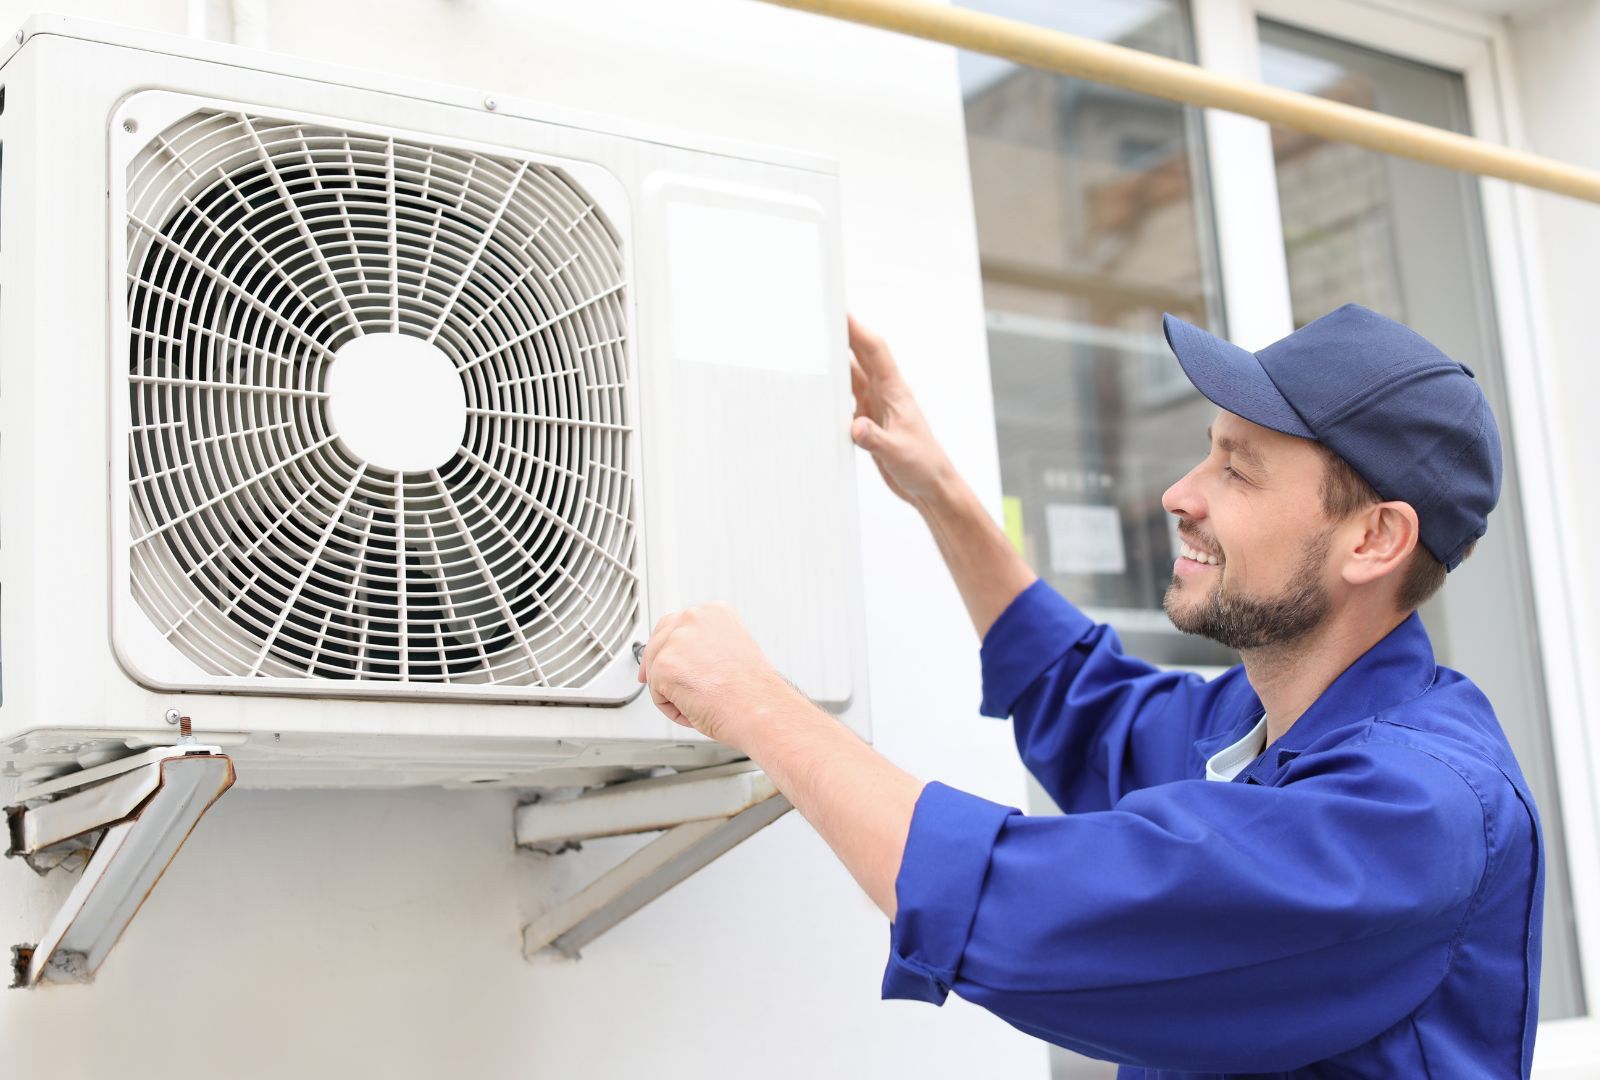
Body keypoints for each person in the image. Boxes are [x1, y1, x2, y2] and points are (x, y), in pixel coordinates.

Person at [637, 304, 1544, 1078]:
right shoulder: (1253, 730)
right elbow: (1079, 694)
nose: (1179, 494)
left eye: (1238, 468)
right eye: (1205, 451)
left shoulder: (1408, 815)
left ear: (1374, 540)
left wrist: (751, 699)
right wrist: (939, 490)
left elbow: (1014, 909)